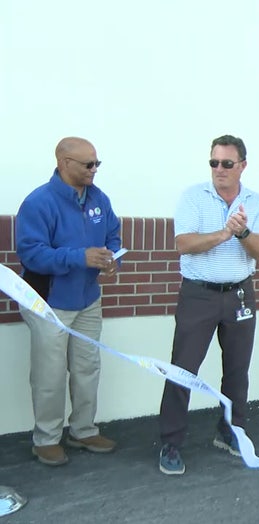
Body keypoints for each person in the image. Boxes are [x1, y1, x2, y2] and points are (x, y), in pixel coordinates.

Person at [157, 135, 259, 475]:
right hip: (199, 295)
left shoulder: (257, 202)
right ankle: (171, 442)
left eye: (226, 163)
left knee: (237, 370)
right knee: (183, 369)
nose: (219, 170)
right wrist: (224, 233)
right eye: (214, 163)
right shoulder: (194, 197)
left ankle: (231, 430)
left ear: (243, 166)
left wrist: (242, 233)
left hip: (239, 294)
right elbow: (183, 243)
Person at [16, 137, 121, 467]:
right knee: (50, 374)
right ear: (63, 163)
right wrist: (81, 257)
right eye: (88, 164)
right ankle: (45, 439)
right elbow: (31, 254)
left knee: (87, 367)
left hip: (87, 300)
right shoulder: (38, 203)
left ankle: (83, 430)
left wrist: (112, 257)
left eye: (97, 163)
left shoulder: (99, 199)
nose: (94, 170)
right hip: (49, 301)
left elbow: (113, 235)